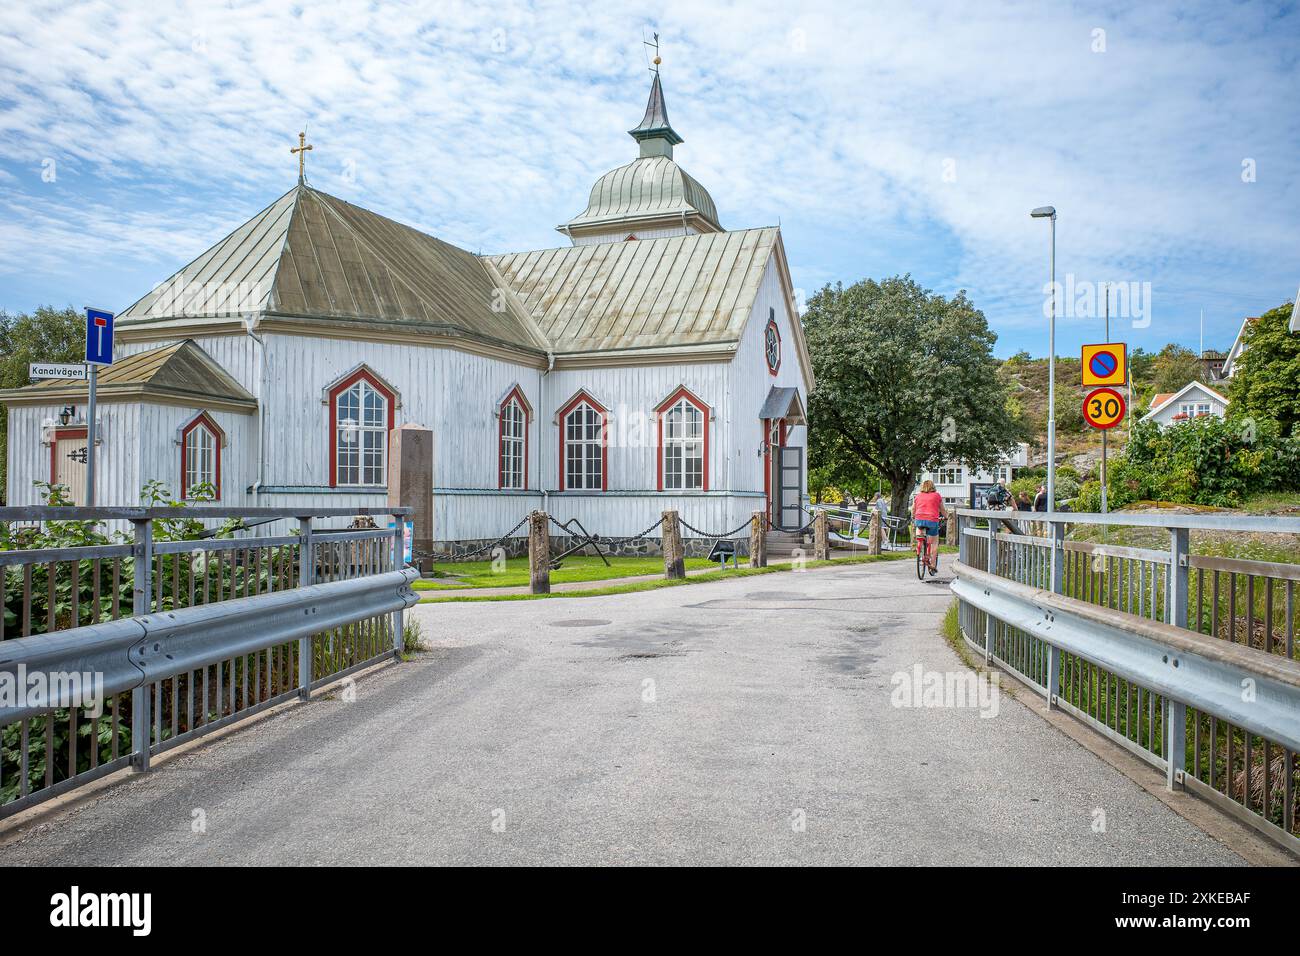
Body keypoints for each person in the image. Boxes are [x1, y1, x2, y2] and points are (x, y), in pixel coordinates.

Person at [911, 479, 946, 575]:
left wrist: (914, 516)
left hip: (919, 520)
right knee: (934, 542)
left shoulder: (917, 496)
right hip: (932, 520)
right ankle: (933, 566)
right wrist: (946, 517)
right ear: (933, 487)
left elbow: (913, 509)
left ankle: (920, 544)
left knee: (920, 530)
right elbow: (942, 509)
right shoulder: (937, 495)